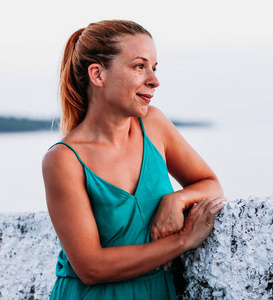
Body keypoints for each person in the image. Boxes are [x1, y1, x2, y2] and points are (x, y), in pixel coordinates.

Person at [42, 20, 225, 299]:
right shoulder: (63, 160)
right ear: (98, 75)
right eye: (140, 66)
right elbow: (91, 267)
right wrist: (183, 240)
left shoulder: (154, 125)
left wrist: (176, 199)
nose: (154, 80)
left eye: (154, 67)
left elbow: (210, 184)